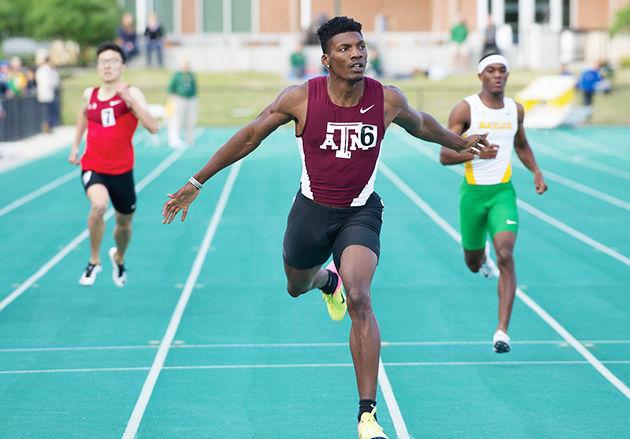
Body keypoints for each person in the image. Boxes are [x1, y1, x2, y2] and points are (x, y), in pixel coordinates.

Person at [162, 16, 488, 439]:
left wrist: (459, 142)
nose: (356, 54)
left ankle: (367, 415)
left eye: (360, 46)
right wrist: (196, 182)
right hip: (311, 212)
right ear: (326, 59)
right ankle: (323, 283)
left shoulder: (385, 99)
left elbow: (421, 123)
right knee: (296, 285)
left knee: (360, 295)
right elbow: (249, 136)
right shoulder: (301, 98)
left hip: (360, 213)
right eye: (345, 49)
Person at [439, 53, 548, 354]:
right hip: (473, 196)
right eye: (491, 70)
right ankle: (481, 259)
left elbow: (521, 144)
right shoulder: (466, 109)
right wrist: (474, 154)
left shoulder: (515, 110)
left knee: (506, 253)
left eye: (502, 70)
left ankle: (502, 331)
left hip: (502, 194)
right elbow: (445, 156)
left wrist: (536, 171)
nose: (497, 75)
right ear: (480, 76)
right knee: (473, 263)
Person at [68, 42, 158, 287]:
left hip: (122, 170)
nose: (107, 66)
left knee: (124, 225)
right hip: (93, 166)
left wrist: (131, 102)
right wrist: (76, 145)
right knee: (98, 206)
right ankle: (94, 261)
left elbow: (153, 126)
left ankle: (118, 257)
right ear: (98, 66)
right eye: (102, 61)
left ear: (123, 66)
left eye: (113, 61)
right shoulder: (90, 94)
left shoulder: (132, 93)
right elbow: (83, 116)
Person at [167, 59, 198, 147]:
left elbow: (194, 87)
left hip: (191, 99)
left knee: (191, 119)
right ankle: (174, 139)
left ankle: (190, 139)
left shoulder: (191, 75)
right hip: (179, 99)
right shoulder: (177, 75)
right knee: (176, 119)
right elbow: (171, 87)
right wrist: (172, 99)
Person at [35, 56, 60, 133]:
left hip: (46, 94)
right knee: (48, 112)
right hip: (47, 93)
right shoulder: (46, 70)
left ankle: (48, 126)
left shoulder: (42, 70)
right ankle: (47, 127)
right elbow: (52, 82)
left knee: (47, 111)